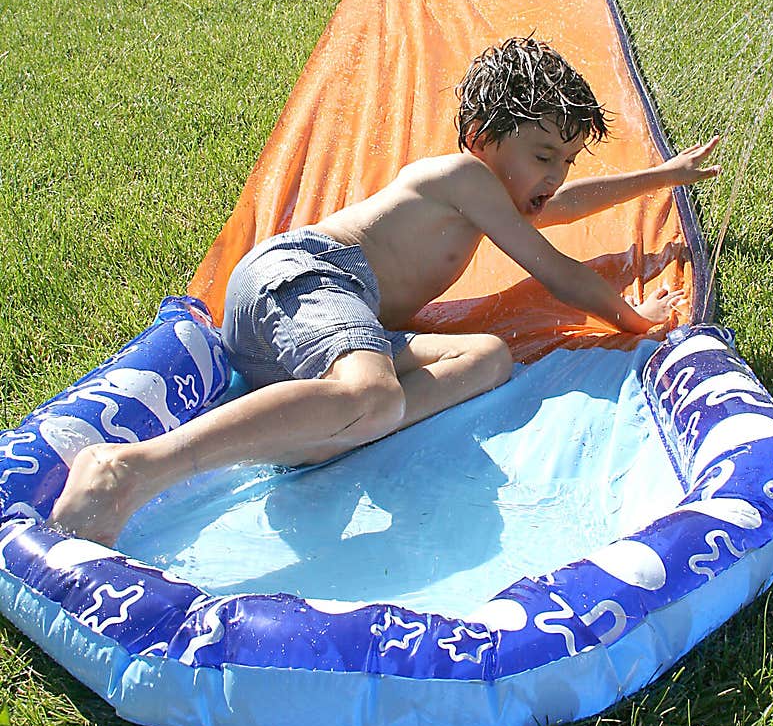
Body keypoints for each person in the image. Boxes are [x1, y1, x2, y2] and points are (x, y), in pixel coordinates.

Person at [48, 36, 720, 547]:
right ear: (480, 139)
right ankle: (131, 469)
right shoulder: (464, 176)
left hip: (322, 337)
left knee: (484, 357)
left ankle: (326, 430)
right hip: (305, 278)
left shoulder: (492, 190)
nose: (555, 174)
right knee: (374, 393)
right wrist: (634, 320)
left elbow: (562, 205)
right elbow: (559, 270)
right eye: (543, 155)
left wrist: (661, 176)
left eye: (565, 159)